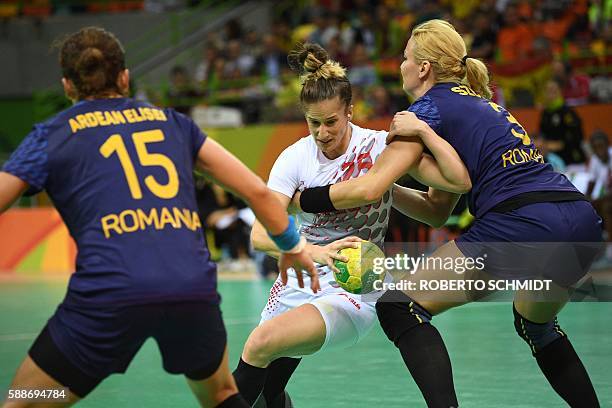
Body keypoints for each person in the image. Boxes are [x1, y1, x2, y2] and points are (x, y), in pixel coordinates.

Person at [0, 27, 318, 408]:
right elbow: (257, 192)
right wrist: (293, 247)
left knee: (23, 399)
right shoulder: (175, 125)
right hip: (189, 289)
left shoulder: (51, 134)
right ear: (124, 78)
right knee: (221, 395)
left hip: (109, 294)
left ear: (67, 85)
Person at [294, 20, 603, 407]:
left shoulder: (422, 112)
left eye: (405, 58)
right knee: (537, 326)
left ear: (423, 68)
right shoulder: (482, 105)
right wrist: (392, 186)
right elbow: (436, 211)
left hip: (520, 224)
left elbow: (367, 188)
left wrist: (301, 199)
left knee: (399, 306)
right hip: (578, 221)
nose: (401, 65)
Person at [232, 43, 470, 408]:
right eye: (314, 123)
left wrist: (426, 134)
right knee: (267, 390)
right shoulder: (294, 158)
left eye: (331, 122)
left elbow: (455, 180)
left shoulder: (378, 148)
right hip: (300, 277)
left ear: (350, 112)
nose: (323, 133)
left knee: (260, 343)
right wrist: (313, 252)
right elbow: (260, 234)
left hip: (354, 285)